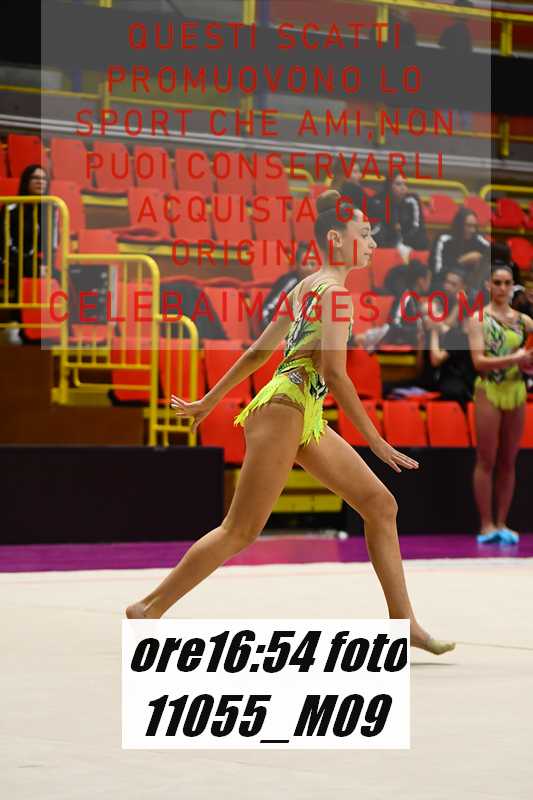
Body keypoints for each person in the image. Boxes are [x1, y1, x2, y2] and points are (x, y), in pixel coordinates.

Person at [126, 190, 455, 656]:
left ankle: (406, 624)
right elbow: (336, 373)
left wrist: (209, 400)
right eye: (364, 235)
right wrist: (376, 441)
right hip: (287, 407)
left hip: (300, 409)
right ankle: (148, 608)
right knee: (240, 530)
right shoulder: (334, 294)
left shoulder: (306, 287)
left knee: (380, 505)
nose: (372, 244)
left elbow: (258, 351)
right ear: (336, 239)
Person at [468, 264, 533, 544]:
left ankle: (502, 521)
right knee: (486, 459)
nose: (502, 288)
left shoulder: (525, 322)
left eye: (507, 283)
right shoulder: (478, 319)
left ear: (513, 285)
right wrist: (514, 359)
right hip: (489, 389)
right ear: (488, 285)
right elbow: (478, 361)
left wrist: (527, 364)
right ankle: (486, 523)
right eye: (497, 282)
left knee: (508, 460)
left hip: (515, 388)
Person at [0, 164, 56, 344]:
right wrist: (29, 264)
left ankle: (54, 329)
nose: (41, 182)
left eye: (44, 179)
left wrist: (46, 265)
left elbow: (51, 245)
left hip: (35, 262)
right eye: (36, 178)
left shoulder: (51, 209)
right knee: (25, 271)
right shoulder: (11, 208)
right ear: (26, 182)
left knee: (62, 273)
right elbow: (5, 244)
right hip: (8, 260)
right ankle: (22, 325)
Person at [429, 269, 476, 409]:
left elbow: (436, 359)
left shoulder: (461, 335)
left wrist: (434, 331)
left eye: (453, 284)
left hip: (457, 387)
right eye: (446, 282)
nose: (447, 287)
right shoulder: (440, 300)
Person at [260, 242, 319, 331]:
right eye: (305, 264)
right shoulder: (289, 282)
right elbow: (266, 312)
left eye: (312, 264)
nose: (309, 268)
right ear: (297, 265)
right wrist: (272, 335)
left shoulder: (317, 286)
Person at [429, 207, 490, 286]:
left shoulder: (478, 239)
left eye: (474, 226)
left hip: (470, 285)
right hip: (445, 284)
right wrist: (461, 261)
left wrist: (482, 259)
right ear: (459, 225)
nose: (473, 230)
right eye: (468, 226)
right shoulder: (444, 239)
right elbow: (437, 271)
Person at [372, 175, 428, 257]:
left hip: (410, 243)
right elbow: (377, 230)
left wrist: (404, 242)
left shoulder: (412, 200)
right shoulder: (378, 201)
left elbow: (417, 227)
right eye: (398, 184)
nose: (403, 188)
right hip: (386, 244)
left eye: (405, 184)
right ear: (389, 186)